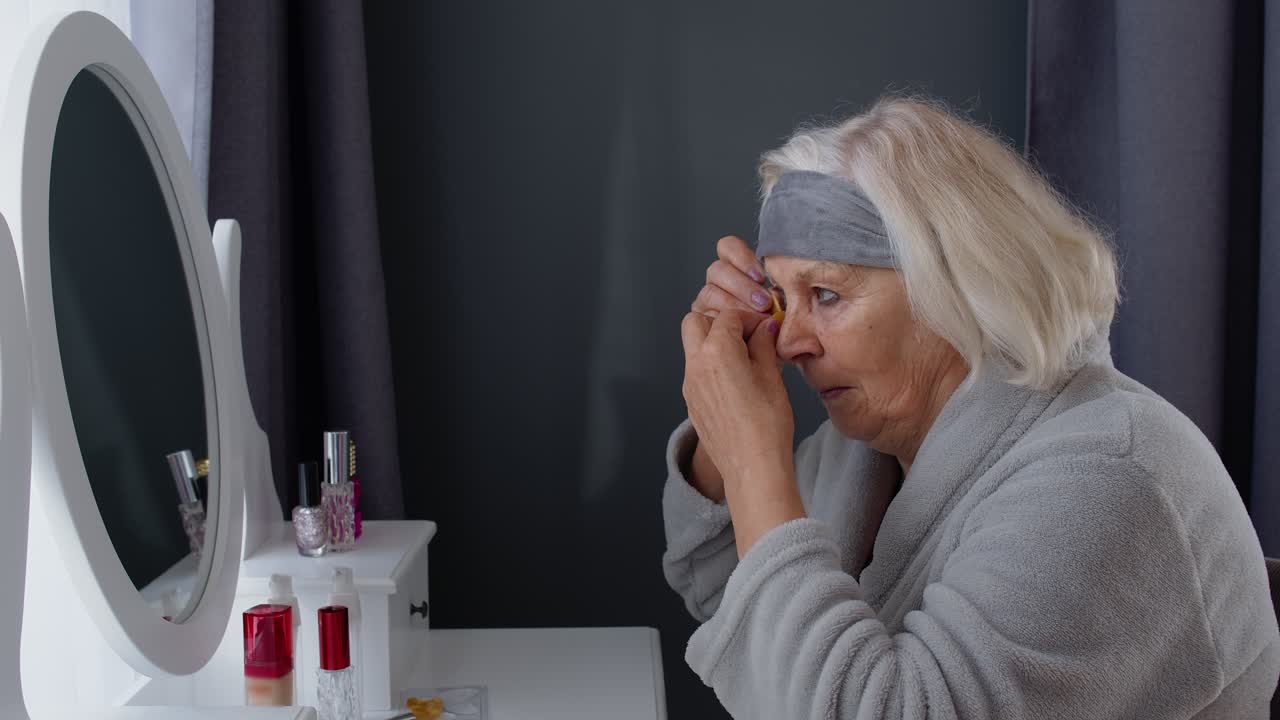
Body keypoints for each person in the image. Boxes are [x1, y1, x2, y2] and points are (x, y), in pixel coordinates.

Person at [663, 96, 1280, 719]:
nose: (791, 342)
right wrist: (726, 437)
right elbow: (738, 605)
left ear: (956, 288)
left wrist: (754, 461)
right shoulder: (870, 450)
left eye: (825, 294)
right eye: (778, 300)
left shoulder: (1110, 479)